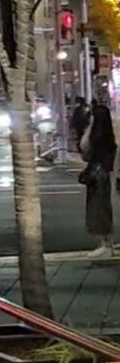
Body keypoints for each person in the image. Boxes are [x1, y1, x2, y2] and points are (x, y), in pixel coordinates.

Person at [81, 104, 116, 257]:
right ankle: (108, 243)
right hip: (104, 174)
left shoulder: (96, 136)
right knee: (104, 208)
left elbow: (84, 150)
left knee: (97, 209)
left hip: (96, 175)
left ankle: (104, 245)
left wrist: (89, 127)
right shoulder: (109, 136)